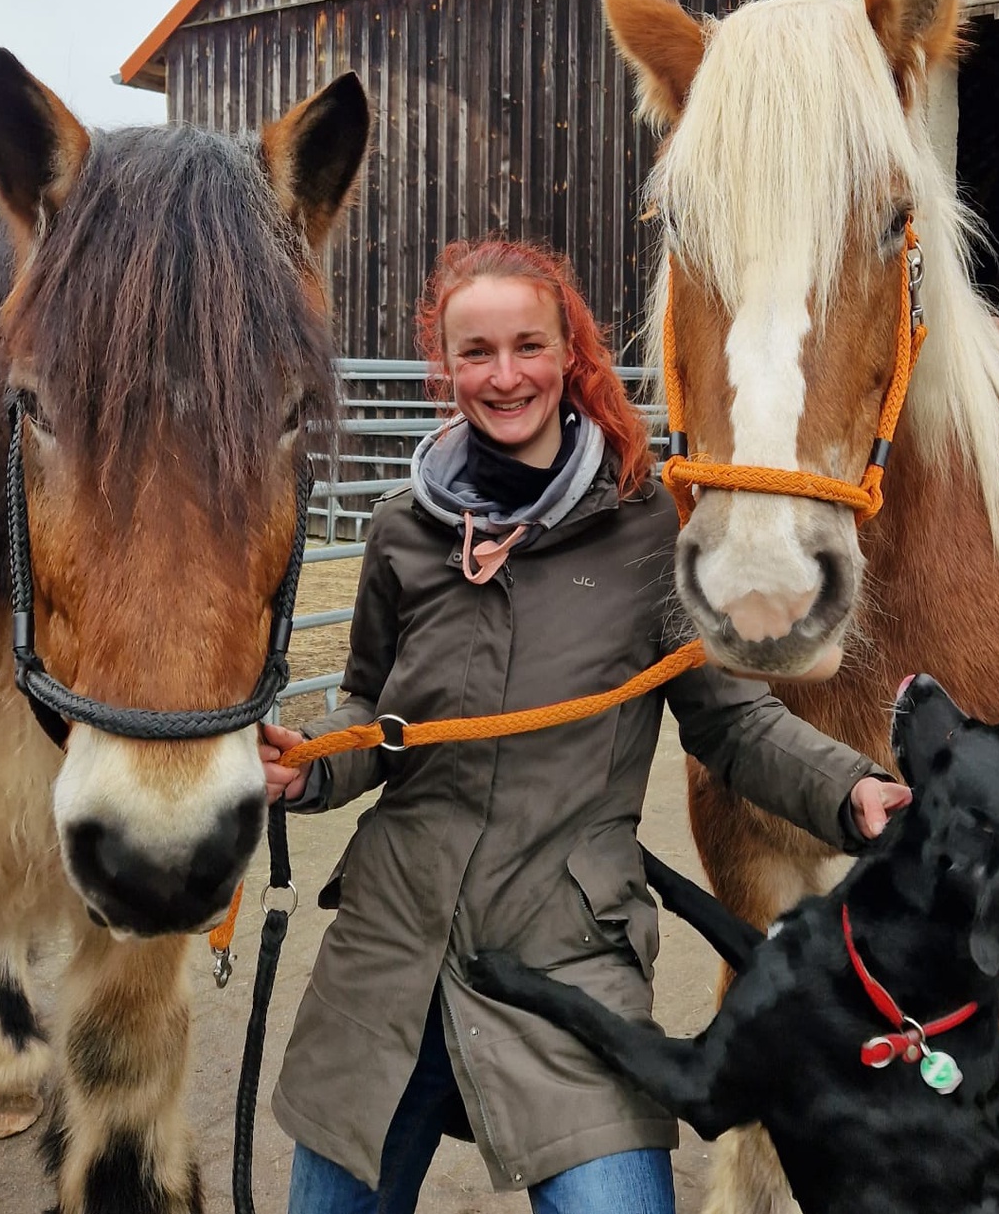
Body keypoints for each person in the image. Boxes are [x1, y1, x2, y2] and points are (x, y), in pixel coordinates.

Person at [259, 237, 910, 1214]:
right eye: (475, 351)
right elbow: (371, 706)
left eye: (528, 344)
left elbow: (727, 718)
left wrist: (846, 784)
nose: (504, 372)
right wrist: (310, 762)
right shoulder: (403, 531)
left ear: (571, 354)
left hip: (563, 955)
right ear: (447, 365)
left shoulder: (645, 525)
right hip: (390, 950)